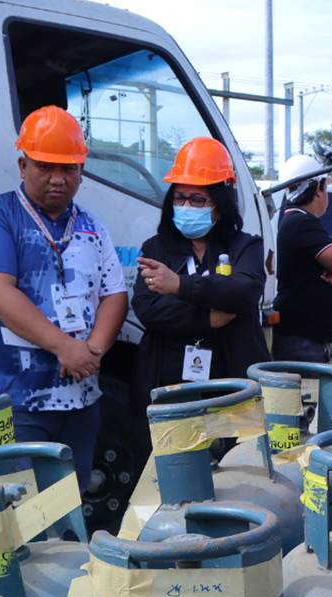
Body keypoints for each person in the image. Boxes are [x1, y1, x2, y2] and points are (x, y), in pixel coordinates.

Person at [0, 106, 128, 494]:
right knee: (22, 509)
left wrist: (91, 351)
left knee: (70, 504)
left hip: (81, 401)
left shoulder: (91, 226)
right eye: (45, 166)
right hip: (16, 402)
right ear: (23, 166)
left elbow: (114, 294)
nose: (58, 178)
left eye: (68, 168)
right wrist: (65, 348)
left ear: (81, 171)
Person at [131, 137, 270, 411]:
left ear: (220, 204)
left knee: (236, 442)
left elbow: (245, 291)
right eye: (179, 198)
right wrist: (206, 318)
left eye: (197, 200)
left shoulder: (245, 246)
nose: (186, 206)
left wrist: (178, 286)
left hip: (234, 391)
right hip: (170, 390)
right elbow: (147, 307)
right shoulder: (156, 248)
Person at [272, 154, 332, 362]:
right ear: (318, 188)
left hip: (302, 340)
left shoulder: (296, 220)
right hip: (301, 342)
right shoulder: (301, 223)